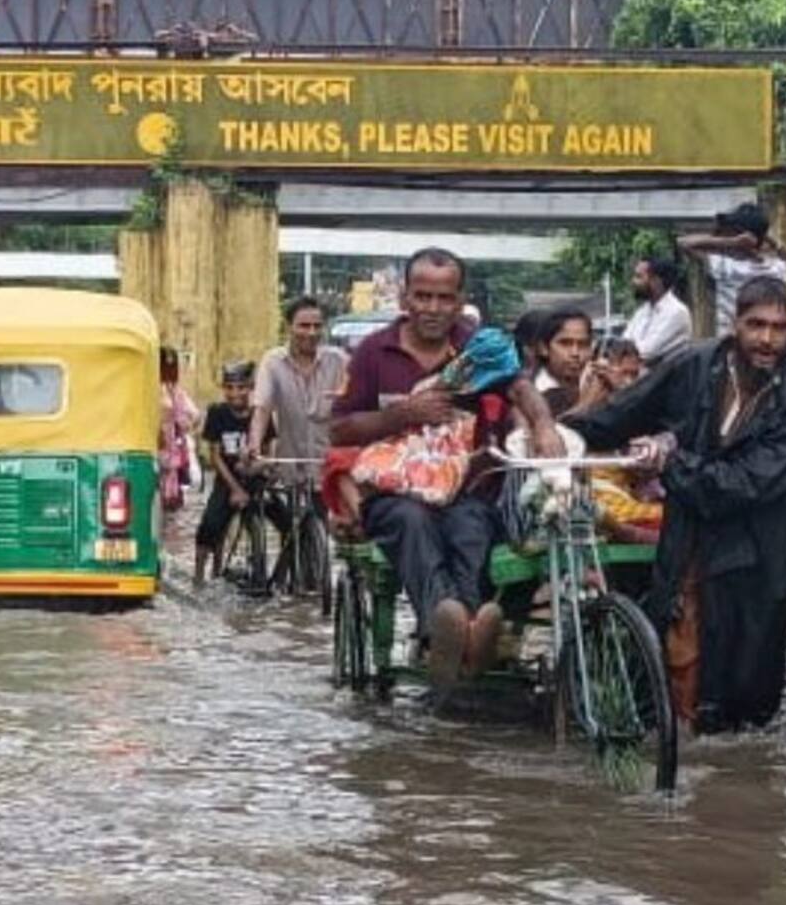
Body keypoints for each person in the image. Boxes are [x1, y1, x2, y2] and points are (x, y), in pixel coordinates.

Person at [568, 277, 786, 732]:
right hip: (691, 532)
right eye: (756, 325)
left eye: (778, 328)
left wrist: (670, 462)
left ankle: (725, 754)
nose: (766, 339)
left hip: (761, 544)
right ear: (735, 323)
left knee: (746, 677)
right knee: (679, 646)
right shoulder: (696, 364)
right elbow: (623, 414)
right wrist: (561, 432)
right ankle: (680, 745)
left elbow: (750, 482)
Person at [331, 247, 564, 689]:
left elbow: (521, 389)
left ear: (460, 301)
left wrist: (544, 425)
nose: (433, 308)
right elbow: (339, 429)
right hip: (393, 496)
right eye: (423, 296)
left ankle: (466, 633)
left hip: (464, 492)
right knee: (412, 521)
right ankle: (446, 628)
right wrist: (403, 414)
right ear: (405, 298)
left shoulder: (479, 347)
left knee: (472, 526)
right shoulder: (373, 352)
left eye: (444, 298)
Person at [247, 295, 349, 492]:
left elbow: (357, 405)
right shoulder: (272, 362)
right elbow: (262, 409)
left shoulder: (339, 361)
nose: (311, 332)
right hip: (289, 471)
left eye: (317, 326)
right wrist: (255, 446)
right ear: (288, 327)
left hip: (331, 472)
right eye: (304, 326)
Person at [680, 202, 786, 336]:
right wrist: (769, 238)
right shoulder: (776, 269)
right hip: (769, 338)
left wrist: (732, 242)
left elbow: (684, 243)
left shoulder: (725, 267)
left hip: (732, 342)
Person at [195, 361, 259, 585]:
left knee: (283, 519)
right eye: (229, 388)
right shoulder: (217, 412)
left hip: (255, 478)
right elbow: (215, 456)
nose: (235, 393)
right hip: (226, 478)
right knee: (210, 523)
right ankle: (200, 576)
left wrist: (263, 469)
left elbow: (269, 449)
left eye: (241, 388)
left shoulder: (260, 414)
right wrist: (235, 489)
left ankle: (278, 576)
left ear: (250, 387)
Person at [622, 257, 692, 366]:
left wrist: (626, 351)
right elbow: (623, 344)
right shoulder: (642, 311)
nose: (633, 281)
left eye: (639, 277)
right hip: (638, 373)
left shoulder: (677, 312)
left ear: (656, 281)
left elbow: (646, 352)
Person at [529, 309, 595, 418]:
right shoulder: (527, 393)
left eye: (583, 344)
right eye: (565, 343)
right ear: (543, 348)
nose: (575, 353)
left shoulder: (594, 386)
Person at [158, 345, 199, 514]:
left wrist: (182, 426)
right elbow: (193, 415)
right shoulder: (171, 391)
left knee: (168, 475)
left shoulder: (173, 391)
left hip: (167, 442)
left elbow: (193, 415)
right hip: (163, 442)